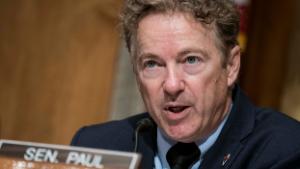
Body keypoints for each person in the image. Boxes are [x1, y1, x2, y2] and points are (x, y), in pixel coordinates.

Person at [71, 0, 300, 168]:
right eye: (152, 64)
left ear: (231, 66)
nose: (171, 85)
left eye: (191, 60)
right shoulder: (95, 147)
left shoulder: (283, 149)